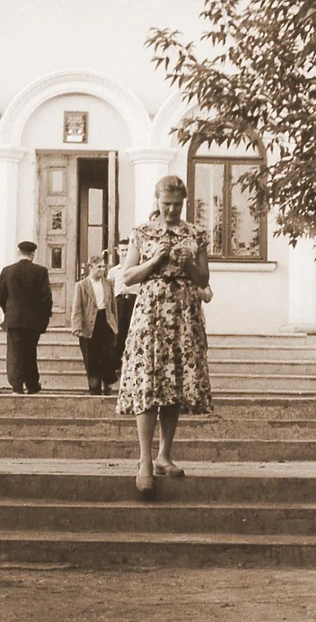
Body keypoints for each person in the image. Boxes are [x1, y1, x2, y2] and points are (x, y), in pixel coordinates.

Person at [116, 174, 212, 497]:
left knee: (175, 384)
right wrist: (155, 260)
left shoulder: (196, 233)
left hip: (183, 314)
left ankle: (164, 456)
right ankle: (144, 460)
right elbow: (128, 276)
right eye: (166, 204)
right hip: (151, 314)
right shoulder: (142, 232)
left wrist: (189, 265)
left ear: (184, 203)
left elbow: (203, 279)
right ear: (157, 201)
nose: (171, 210)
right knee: (148, 383)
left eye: (177, 205)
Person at [0, 240, 52, 395]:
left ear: (18, 252)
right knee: (30, 352)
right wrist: (43, 317)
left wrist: (8, 311)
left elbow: (0, 294)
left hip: (14, 320)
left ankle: (17, 386)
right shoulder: (41, 271)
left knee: (14, 353)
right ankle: (32, 384)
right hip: (33, 322)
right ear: (32, 254)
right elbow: (46, 297)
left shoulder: (8, 271)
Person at [71, 254, 118, 395]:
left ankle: (107, 383)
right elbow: (77, 307)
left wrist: (115, 325)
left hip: (106, 322)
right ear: (90, 267)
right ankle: (94, 388)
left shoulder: (109, 283)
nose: (102, 270)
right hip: (89, 325)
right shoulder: (81, 285)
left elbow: (113, 306)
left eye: (103, 267)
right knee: (91, 357)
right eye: (99, 267)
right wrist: (77, 327)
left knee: (107, 355)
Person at [107, 238, 139, 374]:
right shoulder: (113, 271)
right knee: (118, 333)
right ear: (118, 252)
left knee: (133, 330)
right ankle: (116, 364)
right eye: (123, 250)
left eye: (127, 250)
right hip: (119, 302)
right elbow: (109, 289)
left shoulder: (137, 269)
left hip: (133, 301)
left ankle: (132, 362)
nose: (125, 253)